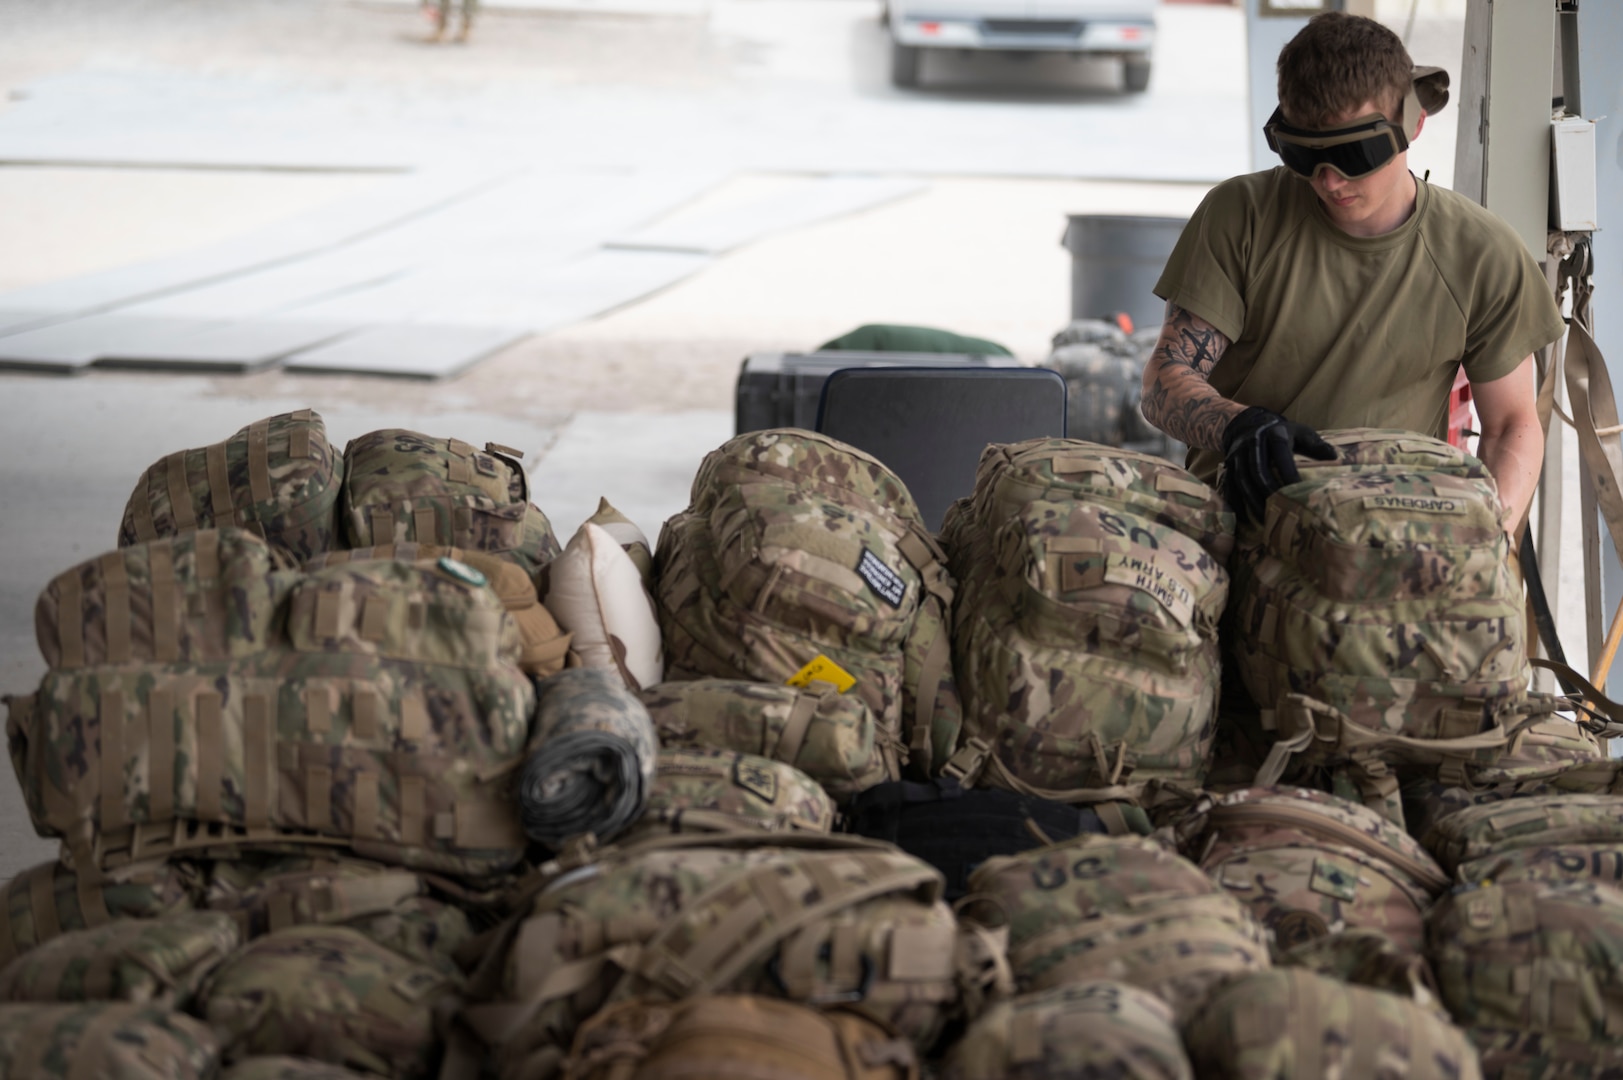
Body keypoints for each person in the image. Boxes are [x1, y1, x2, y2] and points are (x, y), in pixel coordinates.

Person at [1141, 12, 1565, 537]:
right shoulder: (1241, 214)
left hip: (1390, 543)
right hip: (1241, 523)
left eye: (1353, 153)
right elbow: (1164, 382)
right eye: (1304, 153)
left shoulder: (1481, 254)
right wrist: (1237, 425)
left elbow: (1510, 426)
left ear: (1412, 123)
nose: (1329, 180)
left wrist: (1488, 545)